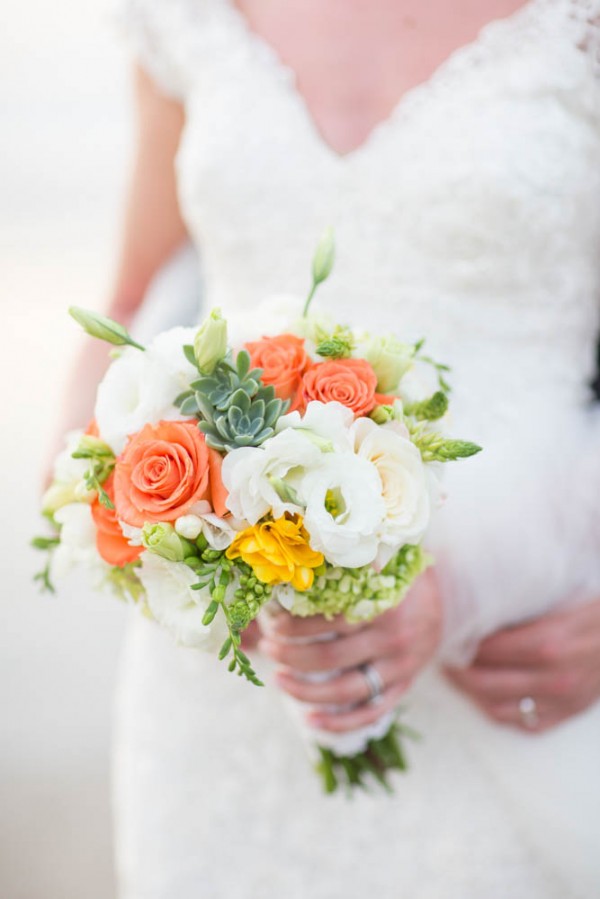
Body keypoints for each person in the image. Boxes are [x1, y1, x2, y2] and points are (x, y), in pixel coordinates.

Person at [63, 0, 600, 894]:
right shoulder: (182, 16)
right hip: (227, 683)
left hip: (529, 641)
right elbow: (126, 303)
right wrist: (98, 505)